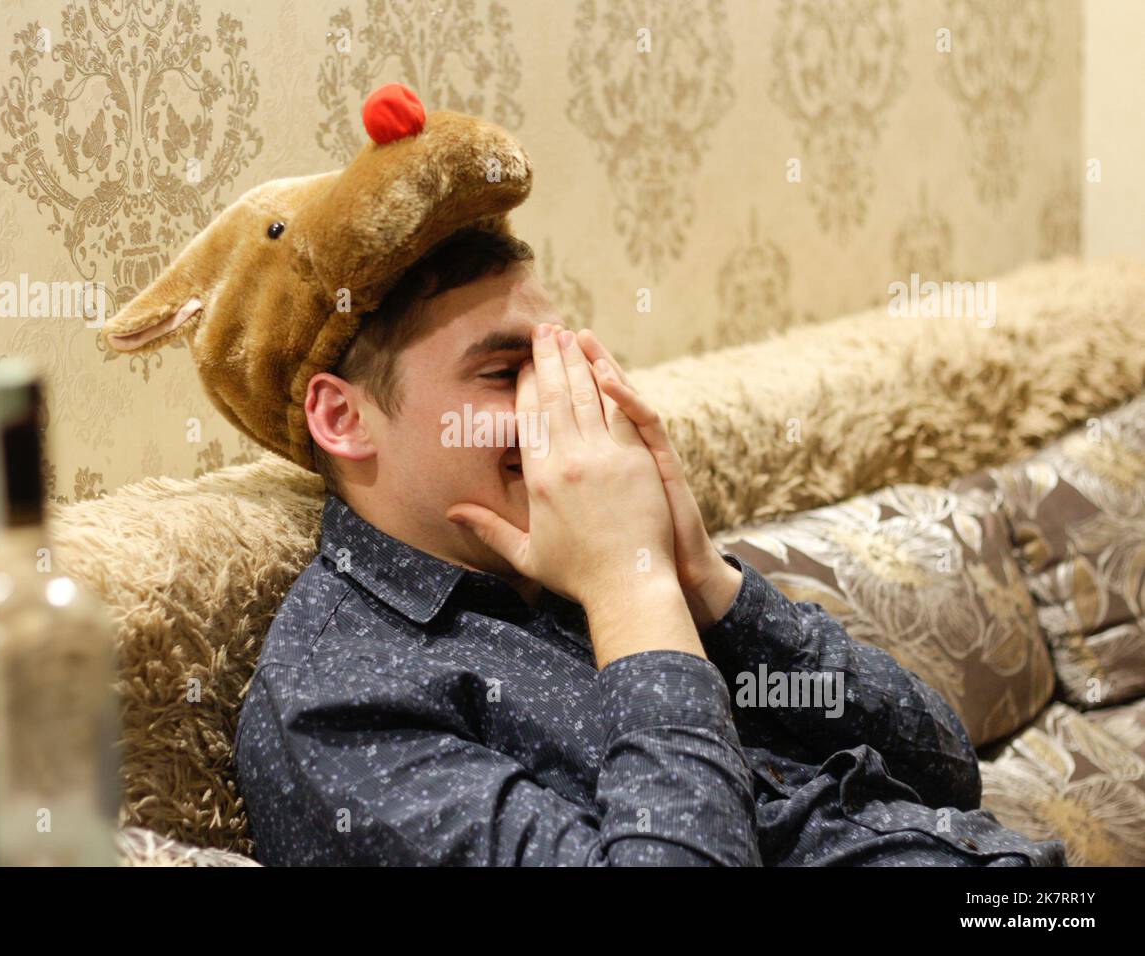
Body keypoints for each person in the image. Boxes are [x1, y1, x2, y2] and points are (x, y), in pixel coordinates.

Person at [233, 227, 1067, 867]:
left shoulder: (577, 541)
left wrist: (706, 581)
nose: (570, 410)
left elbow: (945, 766)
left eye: (563, 365)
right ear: (343, 418)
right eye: (503, 374)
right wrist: (632, 597)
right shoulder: (334, 706)